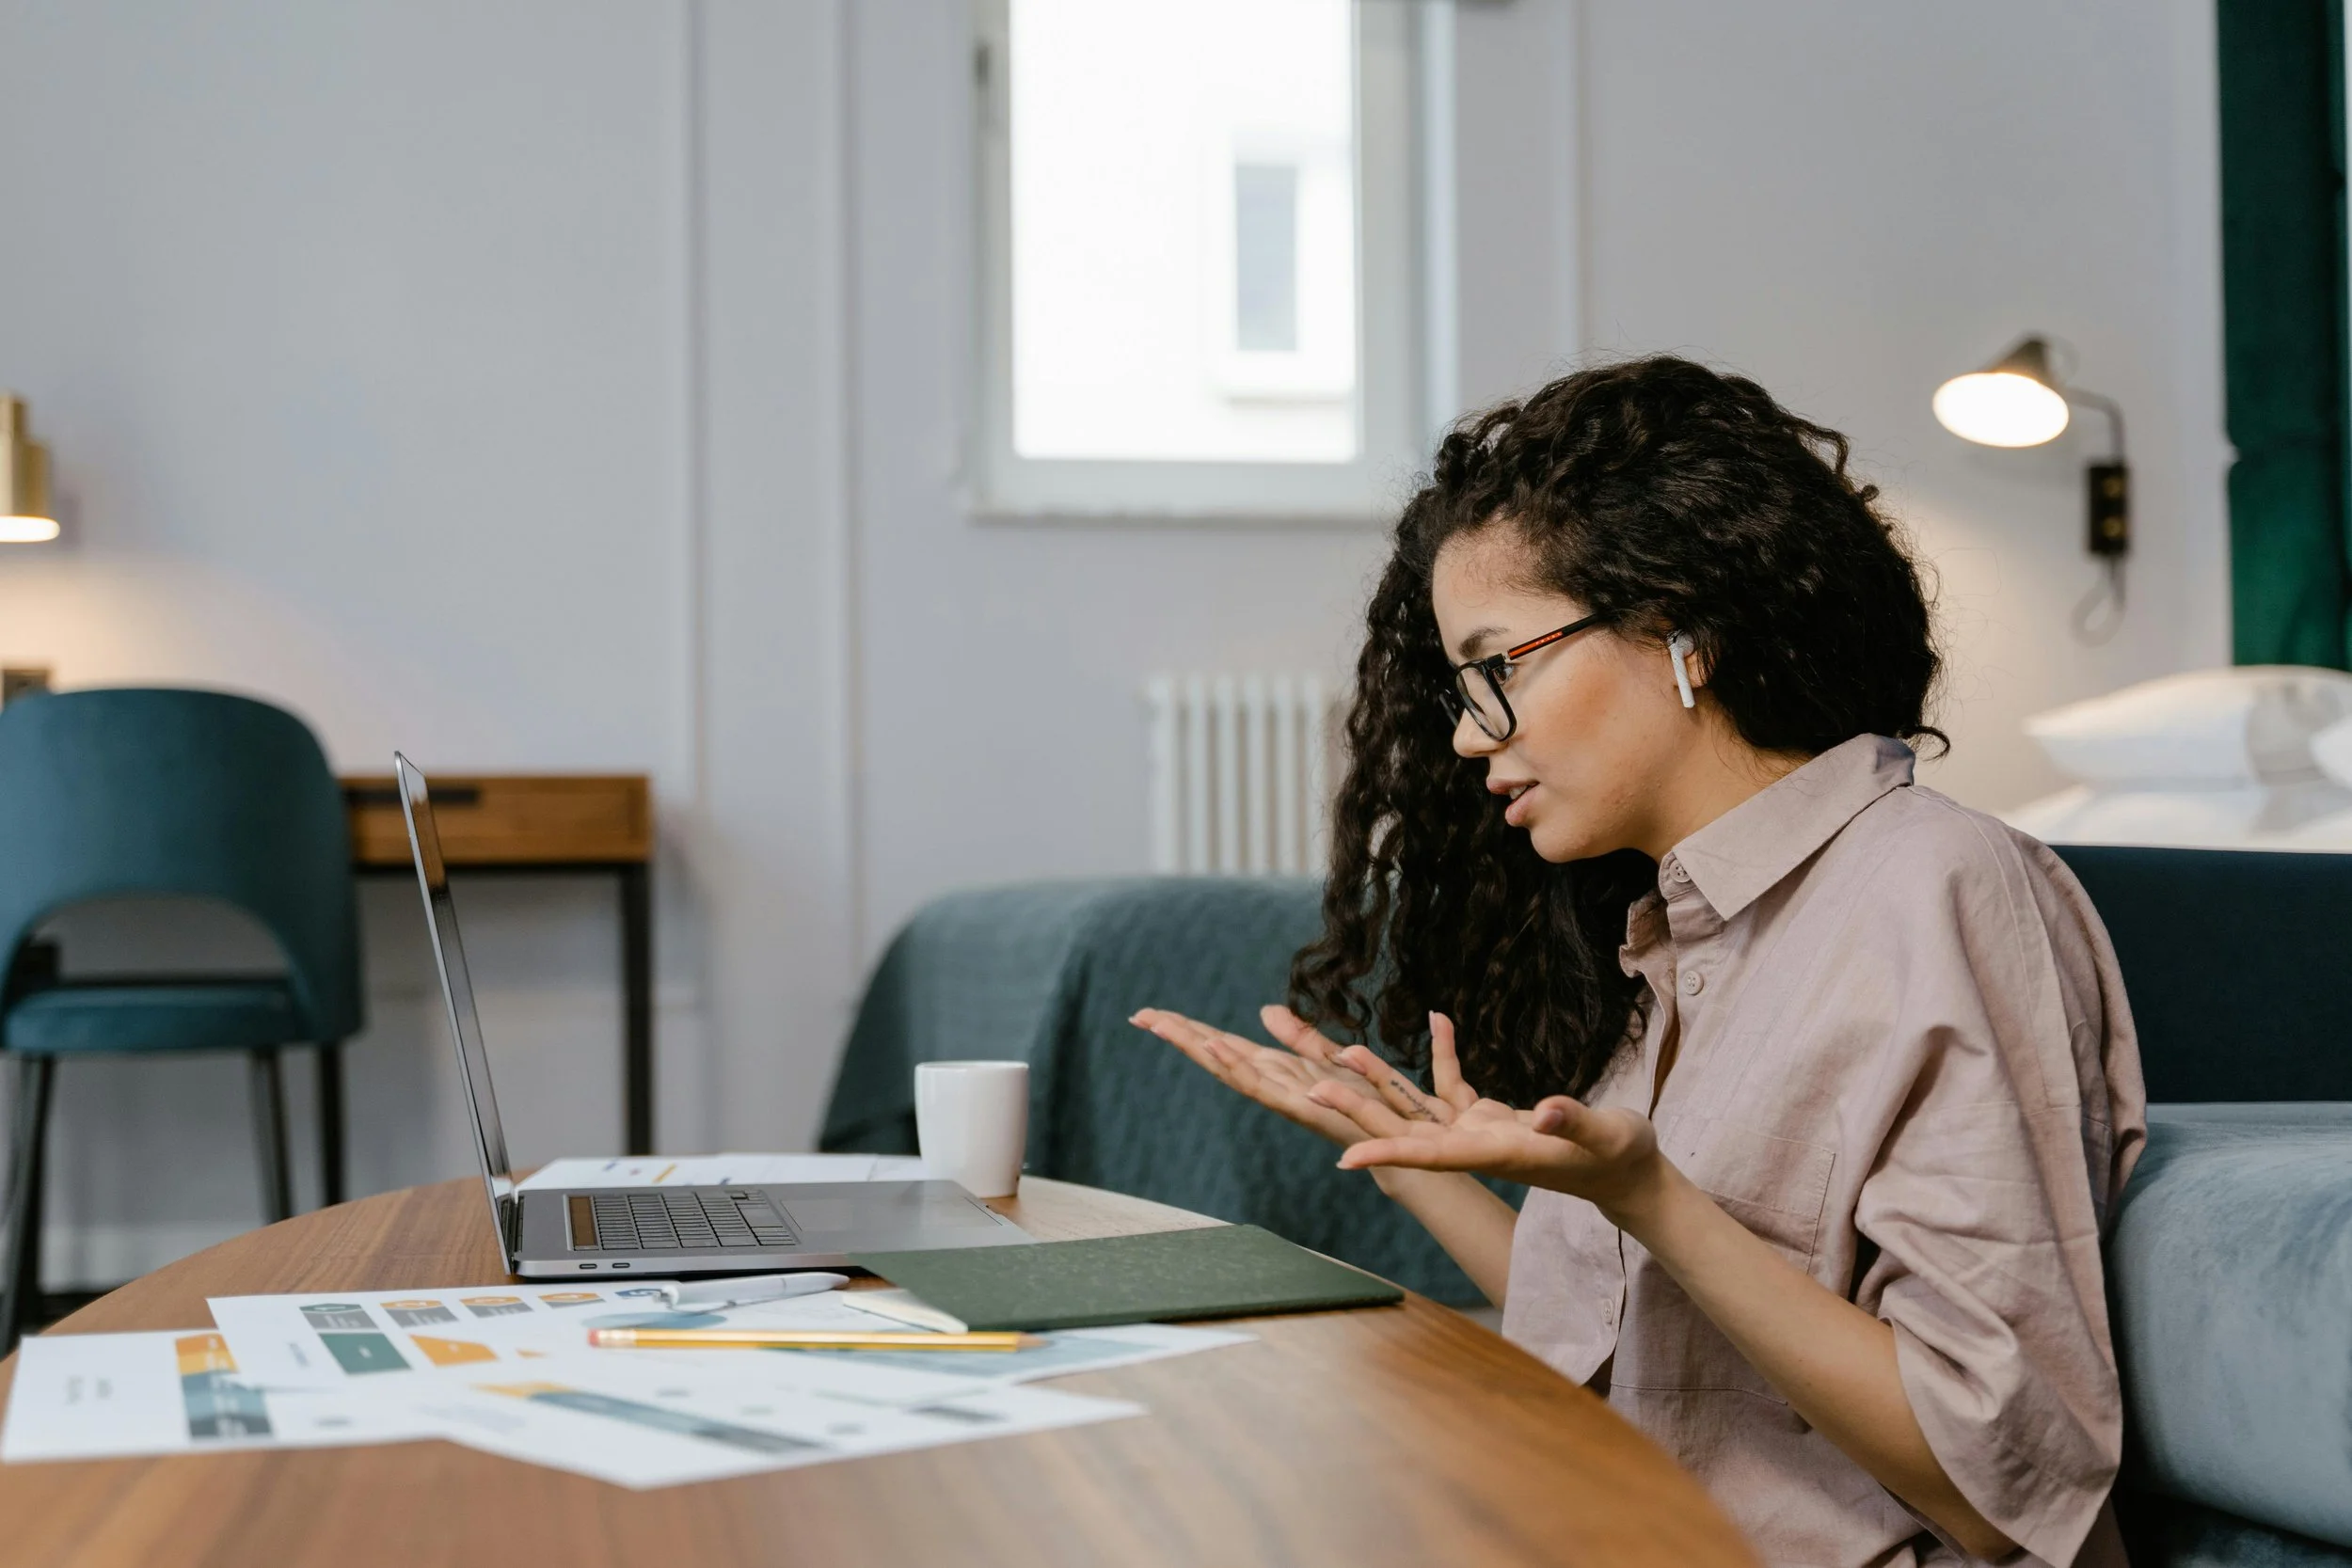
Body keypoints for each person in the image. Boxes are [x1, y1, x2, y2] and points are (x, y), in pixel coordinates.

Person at [1132, 356, 2145, 1568]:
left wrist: (1652, 1198)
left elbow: (2005, 1487)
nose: (1467, 733)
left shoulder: (1942, 886)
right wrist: (1413, 1162)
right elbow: (1649, 1353)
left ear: (1681, 629)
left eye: (1499, 666)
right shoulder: (1672, 937)